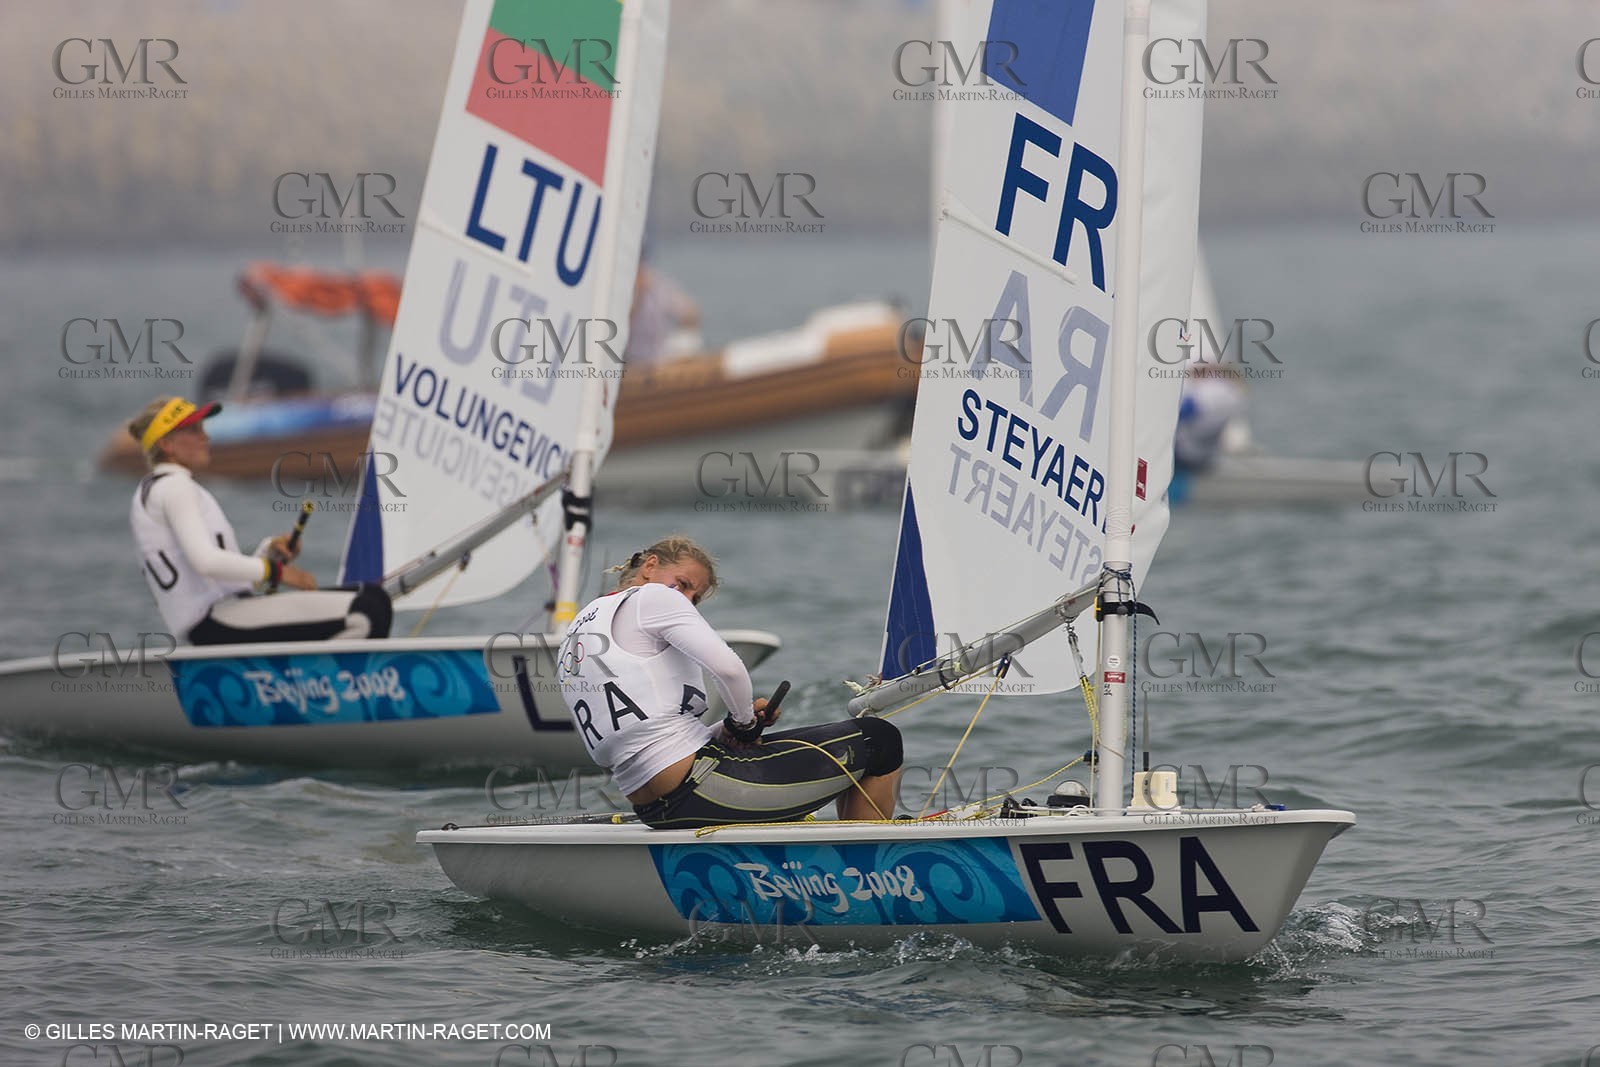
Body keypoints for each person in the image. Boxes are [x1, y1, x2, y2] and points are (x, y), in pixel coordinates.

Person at [558, 536, 902, 829]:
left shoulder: (579, 629)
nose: (686, 599)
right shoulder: (653, 597)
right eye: (683, 584)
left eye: (695, 597)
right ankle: (867, 867)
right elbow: (731, 671)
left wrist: (727, 730)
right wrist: (746, 723)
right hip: (701, 788)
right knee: (879, 738)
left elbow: (645, 735)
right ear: (649, 566)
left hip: (653, 807)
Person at [126, 396, 392, 645]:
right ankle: (321, 689)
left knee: (374, 597)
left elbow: (213, 578)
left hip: (225, 614)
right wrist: (277, 572)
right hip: (216, 620)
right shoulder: (175, 487)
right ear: (166, 444)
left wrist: (268, 555)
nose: (205, 437)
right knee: (365, 612)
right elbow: (206, 562)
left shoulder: (162, 488)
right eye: (194, 431)